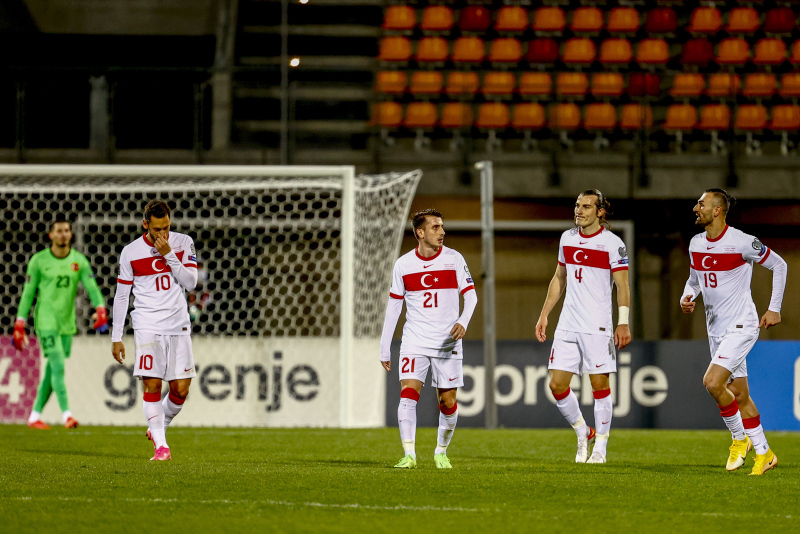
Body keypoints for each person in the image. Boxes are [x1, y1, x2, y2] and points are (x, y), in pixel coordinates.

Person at [680, 188, 786, 476]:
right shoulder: (696, 243)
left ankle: (740, 439)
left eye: (701, 204)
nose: (696, 208)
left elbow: (779, 265)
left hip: (741, 325)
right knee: (738, 395)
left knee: (712, 382)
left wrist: (774, 308)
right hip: (715, 330)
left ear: (717, 210)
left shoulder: (742, 242)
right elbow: (694, 280)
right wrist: (687, 296)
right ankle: (765, 453)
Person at [535, 190, 631, 464]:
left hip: (597, 326)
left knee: (599, 385)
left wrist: (623, 322)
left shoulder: (613, 244)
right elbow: (559, 278)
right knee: (556, 385)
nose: (579, 210)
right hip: (568, 324)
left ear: (600, 212)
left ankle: (600, 447)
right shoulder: (567, 238)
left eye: (586, 206)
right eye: (577, 205)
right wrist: (544, 315)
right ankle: (582, 431)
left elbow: (623, 286)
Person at [380, 209, 477, 469]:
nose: (442, 232)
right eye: (435, 227)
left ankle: (441, 452)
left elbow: (471, 296)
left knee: (448, 402)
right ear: (420, 233)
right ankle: (409, 455)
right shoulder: (403, 264)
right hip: (415, 339)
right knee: (408, 394)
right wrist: (384, 347)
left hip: (447, 341)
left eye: (442, 226)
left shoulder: (454, 259)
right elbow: (394, 308)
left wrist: (463, 321)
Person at [111, 200, 198, 461]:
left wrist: (169, 254)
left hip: (178, 323)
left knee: (181, 390)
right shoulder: (130, 252)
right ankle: (161, 446)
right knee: (152, 383)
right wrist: (116, 336)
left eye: (167, 227)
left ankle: (158, 426)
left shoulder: (183, 242)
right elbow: (122, 296)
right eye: (157, 229)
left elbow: (191, 283)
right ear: (145, 224)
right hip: (147, 323)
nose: (163, 234)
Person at [13, 219, 108, 429]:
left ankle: (34, 416)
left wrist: (100, 308)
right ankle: (67, 415)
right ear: (51, 235)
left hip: (67, 323)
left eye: (66, 230)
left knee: (52, 370)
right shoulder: (39, 261)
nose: (63, 234)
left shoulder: (79, 261)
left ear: (71, 234)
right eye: (59, 231)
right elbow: (28, 294)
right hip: (45, 321)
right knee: (58, 365)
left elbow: (92, 287)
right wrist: (20, 323)